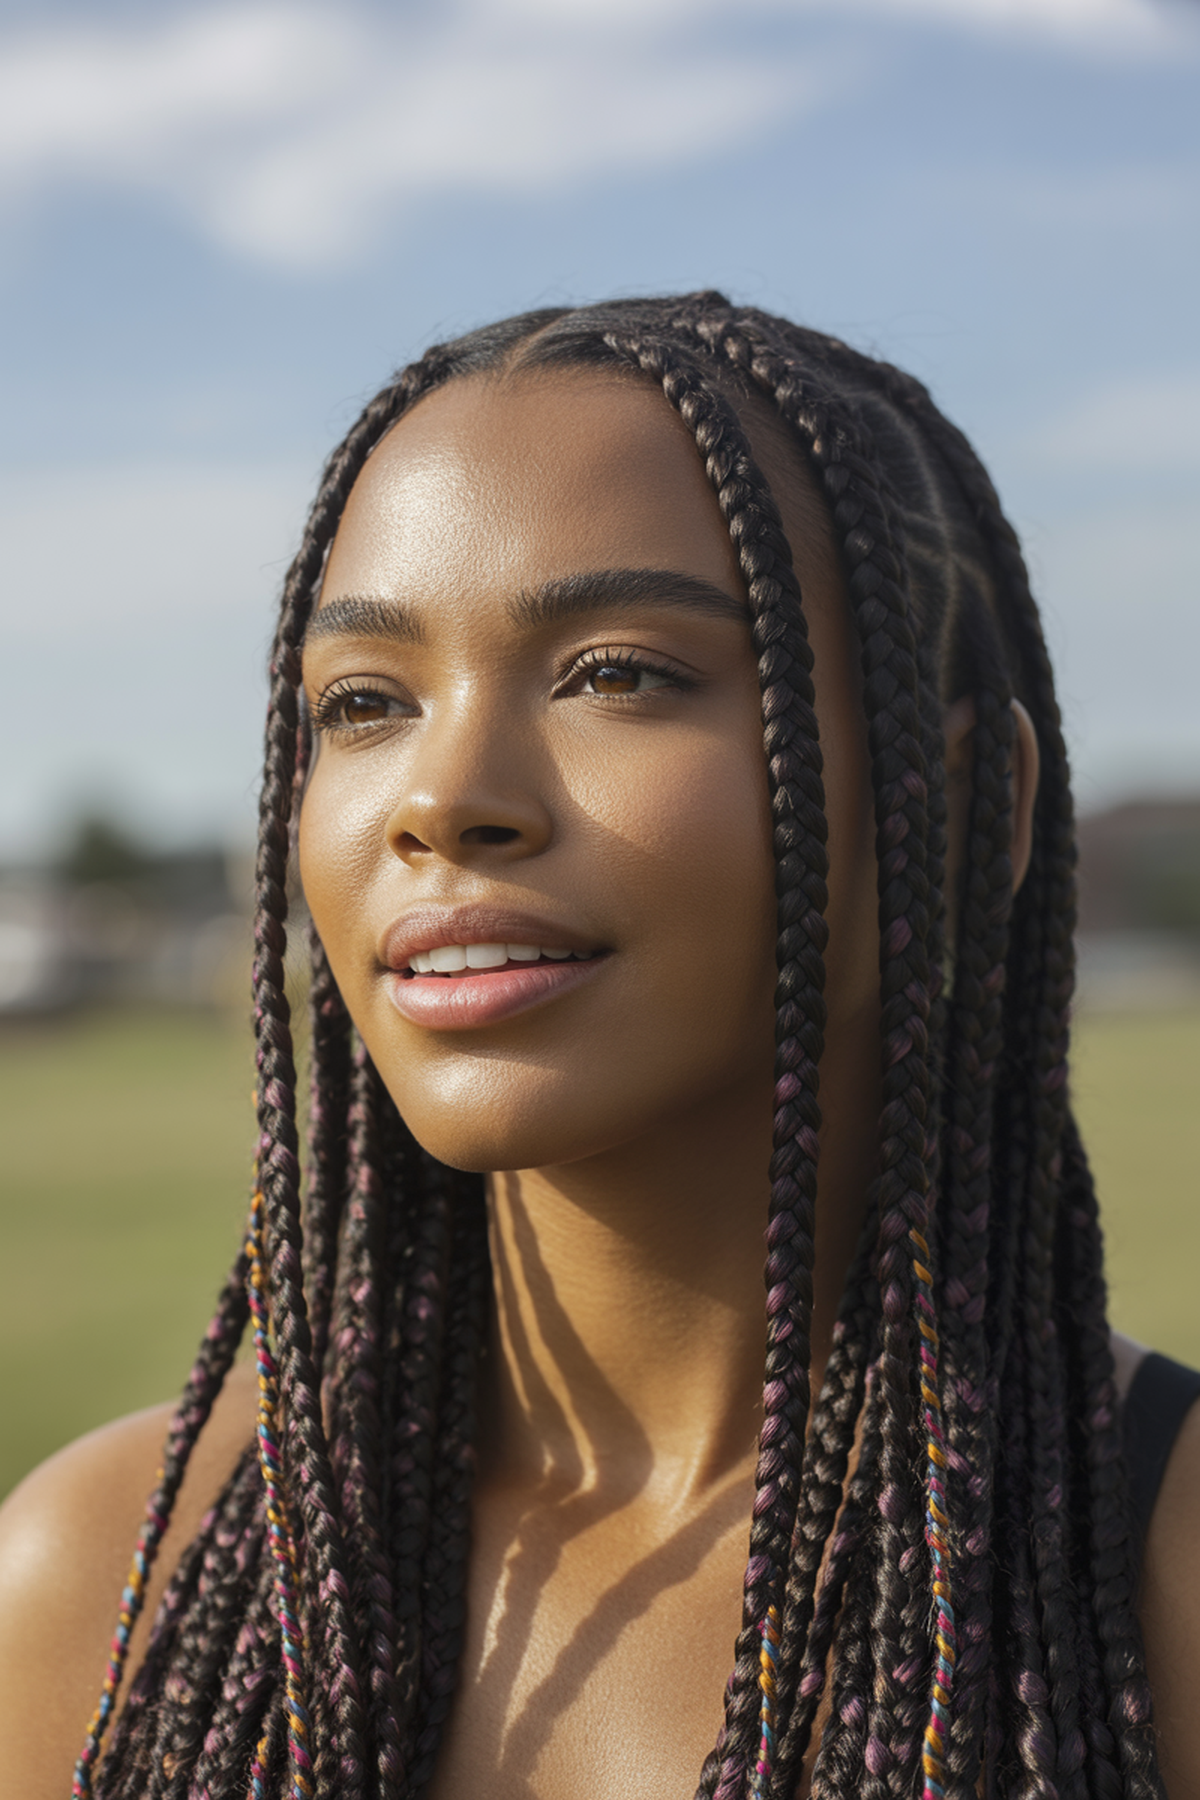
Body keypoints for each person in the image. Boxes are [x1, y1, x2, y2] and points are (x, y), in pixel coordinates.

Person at [0, 294, 1197, 1800]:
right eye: (363, 703)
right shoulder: (102, 1579)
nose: (442, 798)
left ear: (964, 812)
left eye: (618, 673)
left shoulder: (1156, 1580)